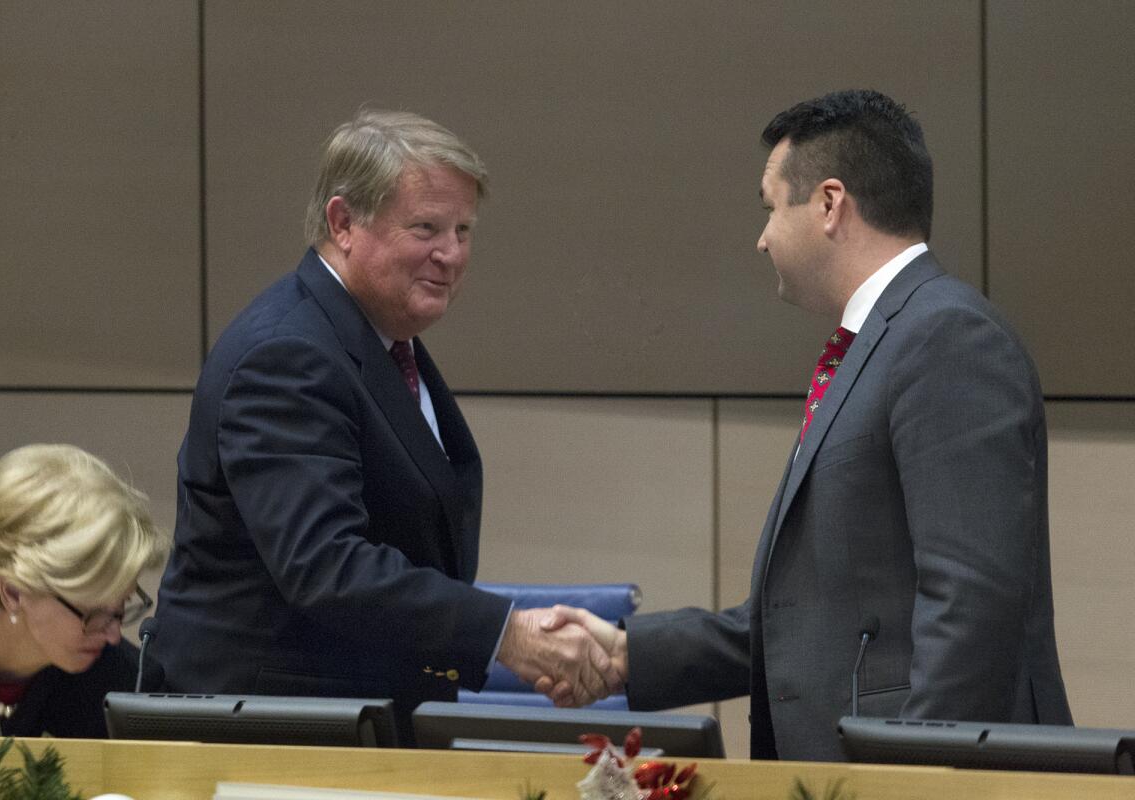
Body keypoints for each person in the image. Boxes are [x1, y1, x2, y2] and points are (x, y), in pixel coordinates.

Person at [540, 89, 1072, 761]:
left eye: (769, 208)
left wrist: (906, 782)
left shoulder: (947, 337)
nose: (761, 238)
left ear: (828, 203)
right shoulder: (888, 343)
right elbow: (816, 620)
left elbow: (972, 604)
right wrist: (627, 654)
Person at [150, 110, 619, 742]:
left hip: (355, 726)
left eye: (463, 230)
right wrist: (505, 635)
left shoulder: (379, 340)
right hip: (272, 739)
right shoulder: (287, 354)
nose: (450, 254)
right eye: (426, 227)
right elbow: (327, 566)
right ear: (343, 223)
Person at [0, 444, 167, 738]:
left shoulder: (125, 687)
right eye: (93, 614)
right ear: (14, 592)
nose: (112, 635)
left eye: (122, 605)